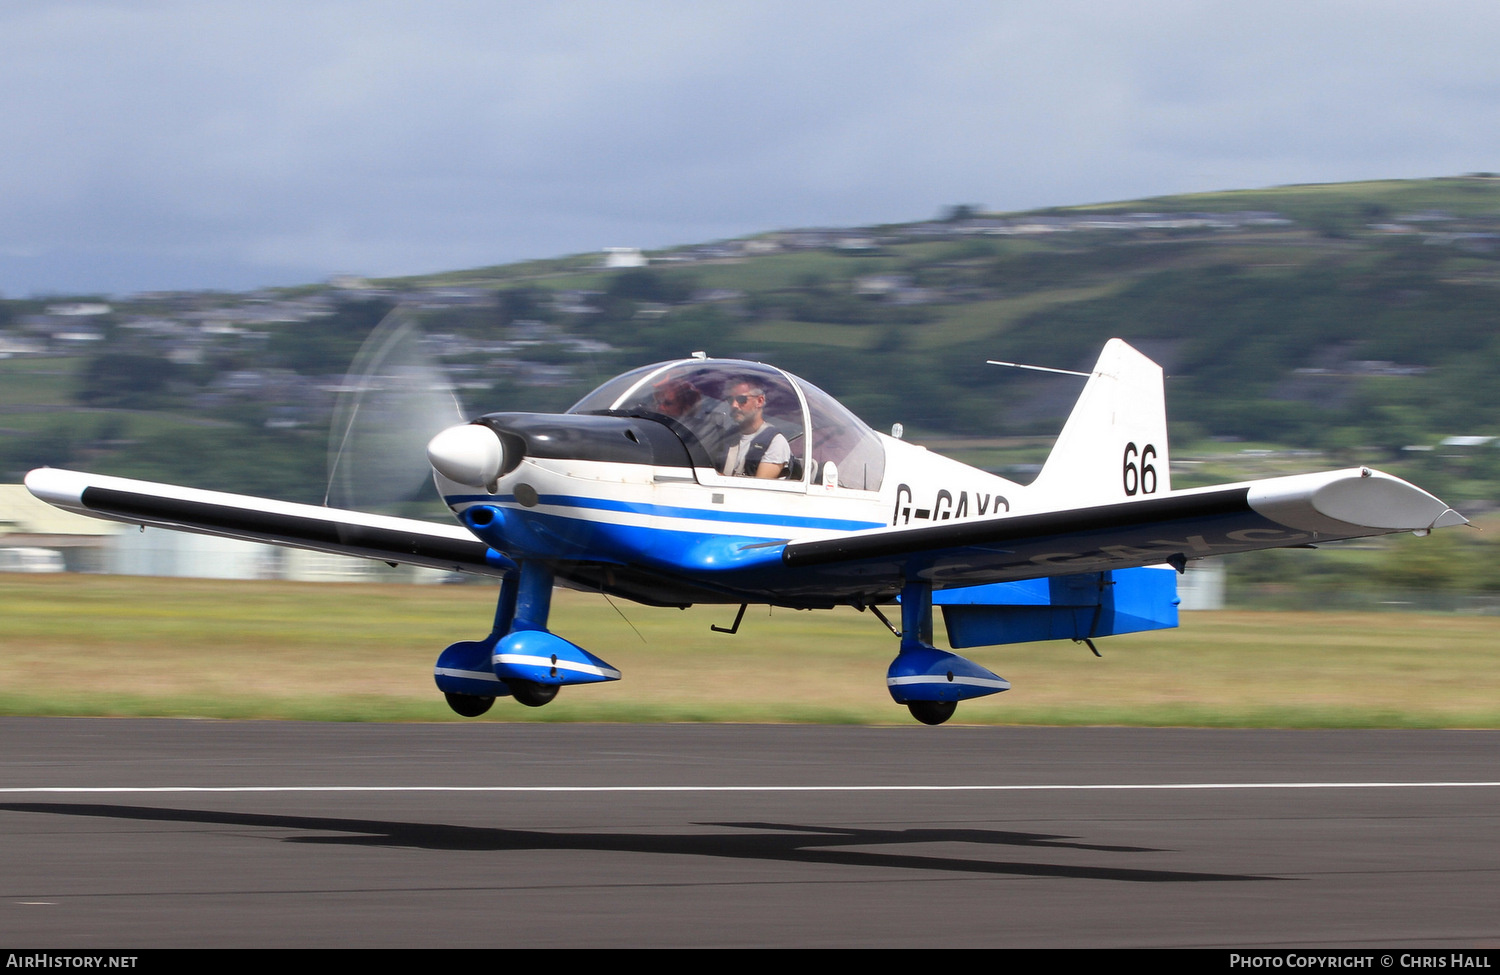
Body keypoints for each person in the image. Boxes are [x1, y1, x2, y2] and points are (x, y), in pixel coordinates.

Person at [721, 378, 790, 478]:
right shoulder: (726, 437)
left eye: (741, 399)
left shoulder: (776, 442)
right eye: (730, 400)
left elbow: (758, 488)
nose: (734, 405)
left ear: (759, 401)